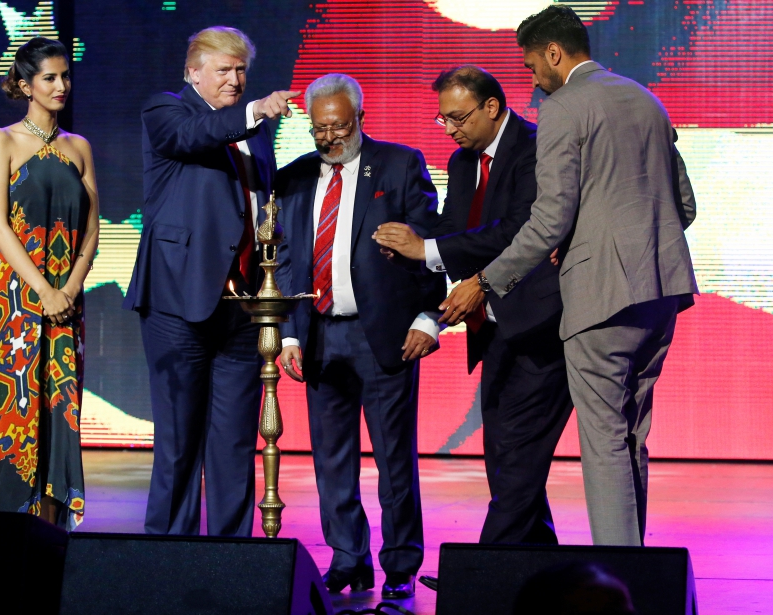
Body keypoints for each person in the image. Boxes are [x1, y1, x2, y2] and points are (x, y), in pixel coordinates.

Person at [440, 6, 698, 546]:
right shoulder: (644, 98)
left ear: (555, 53)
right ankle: (640, 571)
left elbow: (550, 218)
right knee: (631, 436)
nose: (532, 79)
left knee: (603, 441)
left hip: (600, 298)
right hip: (662, 293)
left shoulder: (563, 107)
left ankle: (618, 578)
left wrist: (486, 281)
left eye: (533, 66)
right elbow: (685, 205)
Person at [373, 65, 573, 544]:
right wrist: (413, 244)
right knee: (503, 453)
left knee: (518, 452)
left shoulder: (536, 148)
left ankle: (484, 567)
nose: (450, 129)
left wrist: (429, 250)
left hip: (544, 321)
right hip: (495, 326)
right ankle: (530, 562)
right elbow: (457, 231)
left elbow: (517, 231)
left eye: (458, 118)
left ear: (491, 107)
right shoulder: (463, 164)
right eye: (443, 120)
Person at [122, 26, 298, 536]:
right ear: (192, 72)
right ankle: (169, 559)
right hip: (179, 299)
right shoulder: (167, 111)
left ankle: (231, 559)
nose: (236, 79)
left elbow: (264, 208)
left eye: (241, 70)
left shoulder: (257, 131)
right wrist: (255, 111)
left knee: (234, 443)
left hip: (243, 307)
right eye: (224, 69)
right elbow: (195, 136)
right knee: (179, 442)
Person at [276, 73, 446, 599]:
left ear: (360, 119)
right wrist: (287, 335)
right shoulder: (295, 178)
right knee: (330, 460)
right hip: (319, 335)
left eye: (338, 126)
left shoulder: (398, 165)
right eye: (319, 128)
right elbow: (286, 260)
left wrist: (428, 319)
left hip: (386, 338)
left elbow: (431, 246)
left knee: (395, 460)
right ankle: (348, 559)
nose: (328, 137)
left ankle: (399, 567)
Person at [0, 37, 100, 530]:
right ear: (25, 84)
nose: (61, 86)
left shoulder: (79, 148)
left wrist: (70, 290)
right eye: (49, 78)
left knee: (58, 415)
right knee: (7, 416)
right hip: (16, 302)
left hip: (65, 305)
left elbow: (93, 227)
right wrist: (44, 290)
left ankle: (50, 539)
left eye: (65, 76)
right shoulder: (4, 140)